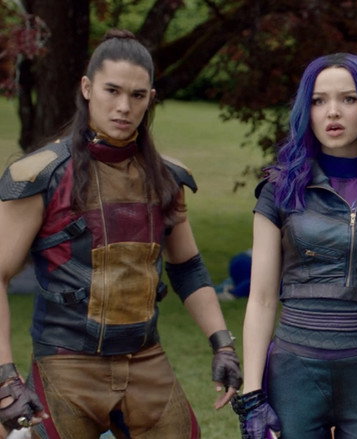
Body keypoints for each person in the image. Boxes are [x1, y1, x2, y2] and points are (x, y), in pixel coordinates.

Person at [0, 30, 241, 438]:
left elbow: (188, 267)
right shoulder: (41, 174)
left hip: (145, 361)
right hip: (66, 363)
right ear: (87, 88)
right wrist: (6, 379)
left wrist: (223, 344)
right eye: (112, 90)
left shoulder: (167, 178)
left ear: (150, 99)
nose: (124, 107)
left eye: (137, 95)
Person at [231, 53, 357, 439]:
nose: (332, 112)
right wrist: (253, 395)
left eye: (348, 99)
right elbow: (262, 298)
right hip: (294, 368)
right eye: (319, 101)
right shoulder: (278, 189)